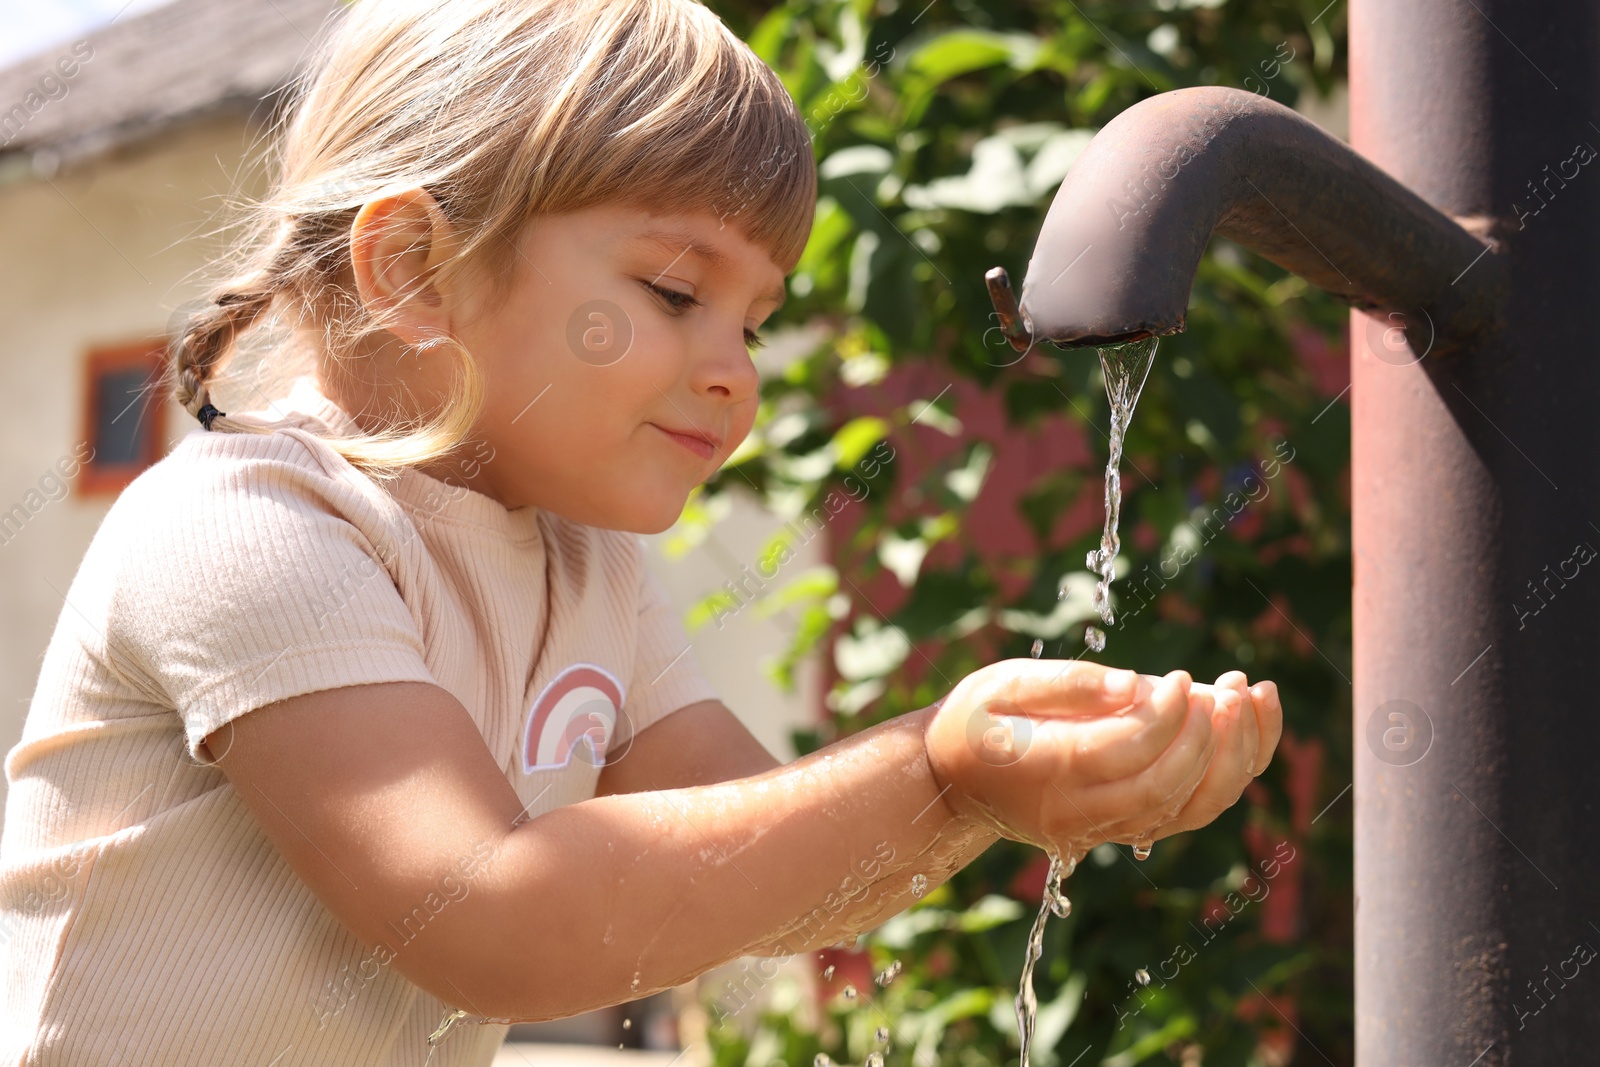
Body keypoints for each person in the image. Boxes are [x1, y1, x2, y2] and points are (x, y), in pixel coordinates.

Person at [0, 0, 1282, 1062]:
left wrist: (1013, 785)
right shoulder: (252, 524)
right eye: (674, 291)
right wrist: (930, 770)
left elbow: (768, 857)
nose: (735, 371)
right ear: (411, 271)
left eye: (756, 320)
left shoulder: (583, 562)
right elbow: (487, 910)